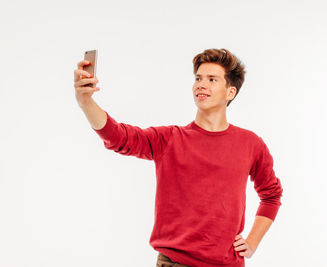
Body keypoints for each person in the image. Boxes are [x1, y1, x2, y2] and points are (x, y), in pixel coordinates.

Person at [73, 48, 283, 267]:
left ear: (230, 92)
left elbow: (271, 195)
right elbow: (119, 137)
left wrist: (252, 241)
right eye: (198, 78)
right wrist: (86, 102)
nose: (201, 84)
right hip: (175, 263)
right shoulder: (170, 139)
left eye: (212, 79)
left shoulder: (250, 144)